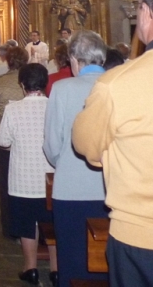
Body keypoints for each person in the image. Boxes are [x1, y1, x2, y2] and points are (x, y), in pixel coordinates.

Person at [73, 0, 153, 287]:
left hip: (139, 235)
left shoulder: (116, 84)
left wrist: (115, 151)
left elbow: (87, 146)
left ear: (144, 14)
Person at [43, 31, 108, 287]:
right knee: (107, 261)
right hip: (111, 190)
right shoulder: (119, 84)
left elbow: (51, 143)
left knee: (72, 259)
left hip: (70, 190)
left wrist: (67, 164)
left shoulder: (61, 88)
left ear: (74, 59)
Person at [0, 63, 57, 287]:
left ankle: (30, 268)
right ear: (45, 83)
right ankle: (55, 269)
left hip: (23, 179)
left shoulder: (13, 109)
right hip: (51, 179)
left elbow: (2, 140)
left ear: (22, 85)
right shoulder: (54, 106)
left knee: (26, 225)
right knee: (52, 227)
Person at [0, 46, 29, 239]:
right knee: (28, 181)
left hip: (4, 138)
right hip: (29, 139)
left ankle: (10, 227)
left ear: (8, 61)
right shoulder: (31, 80)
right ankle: (29, 224)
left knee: (6, 183)